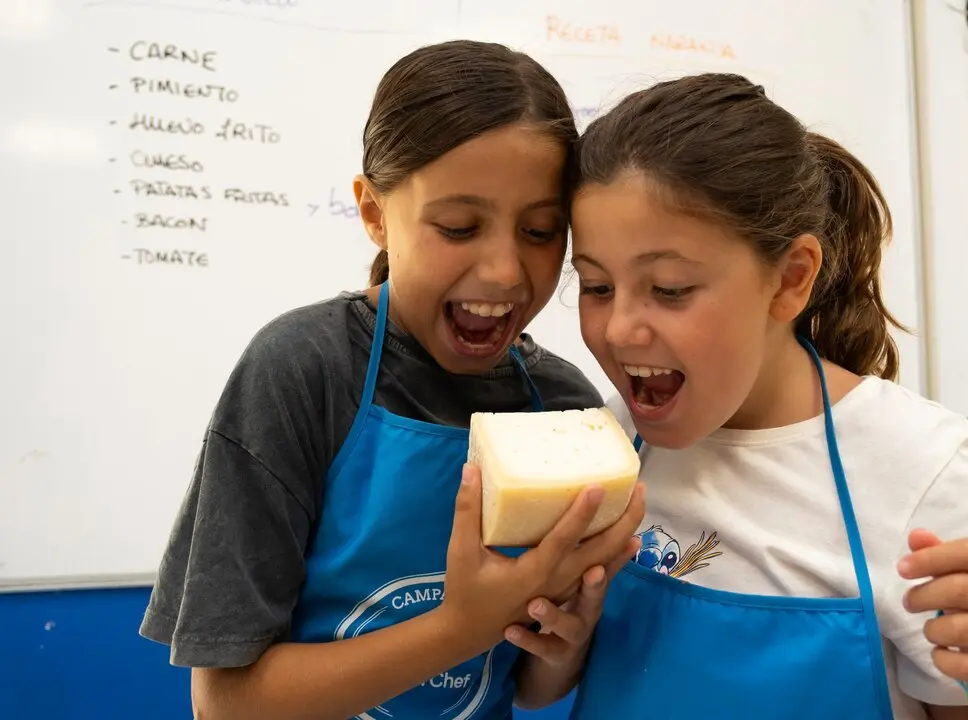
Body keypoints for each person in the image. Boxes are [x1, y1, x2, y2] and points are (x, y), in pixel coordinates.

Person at [507, 73, 968, 719]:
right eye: (597, 287)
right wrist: (559, 646)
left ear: (791, 280)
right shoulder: (604, 451)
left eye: (669, 289)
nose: (618, 329)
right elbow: (538, 687)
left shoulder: (919, 471)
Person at [138, 39, 644, 720]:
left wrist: (565, 640)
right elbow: (226, 704)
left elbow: (531, 684)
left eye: (540, 230)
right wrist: (459, 628)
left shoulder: (563, 411)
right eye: (459, 227)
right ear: (375, 213)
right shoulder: (303, 371)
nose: (503, 270)